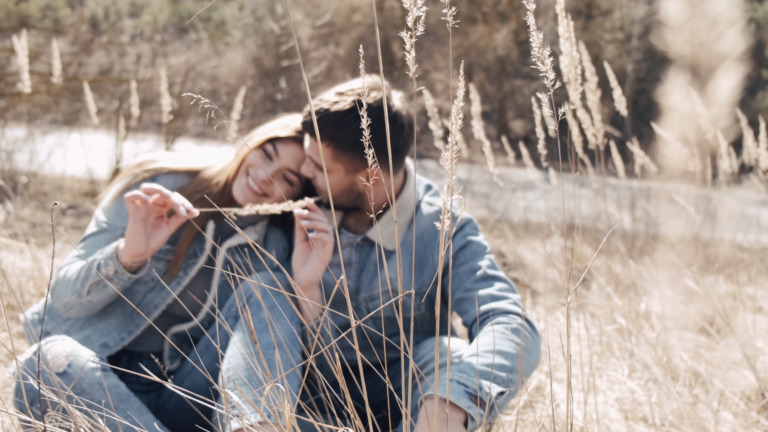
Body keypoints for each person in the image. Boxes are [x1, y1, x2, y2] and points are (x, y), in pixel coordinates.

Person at [248, 77, 541, 432]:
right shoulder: (297, 199)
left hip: (402, 409)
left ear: (370, 178)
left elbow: (508, 321)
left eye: (318, 166)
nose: (304, 172)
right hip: (301, 402)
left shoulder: (442, 227)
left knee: (446, 352)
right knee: (265, 289)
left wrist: (450, 401)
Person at [13, 114, 333, 432]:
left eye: (286, 179)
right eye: (266, 154)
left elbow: (301, 372)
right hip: (96, 383)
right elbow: (65, 299)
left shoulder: (274, 246)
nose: (265, 176)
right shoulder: (160, 185)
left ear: (293, 197)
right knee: (48, 359)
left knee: (271, 288)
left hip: (183, 394)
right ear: (249, 143)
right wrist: (129, 256)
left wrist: (307, 287)